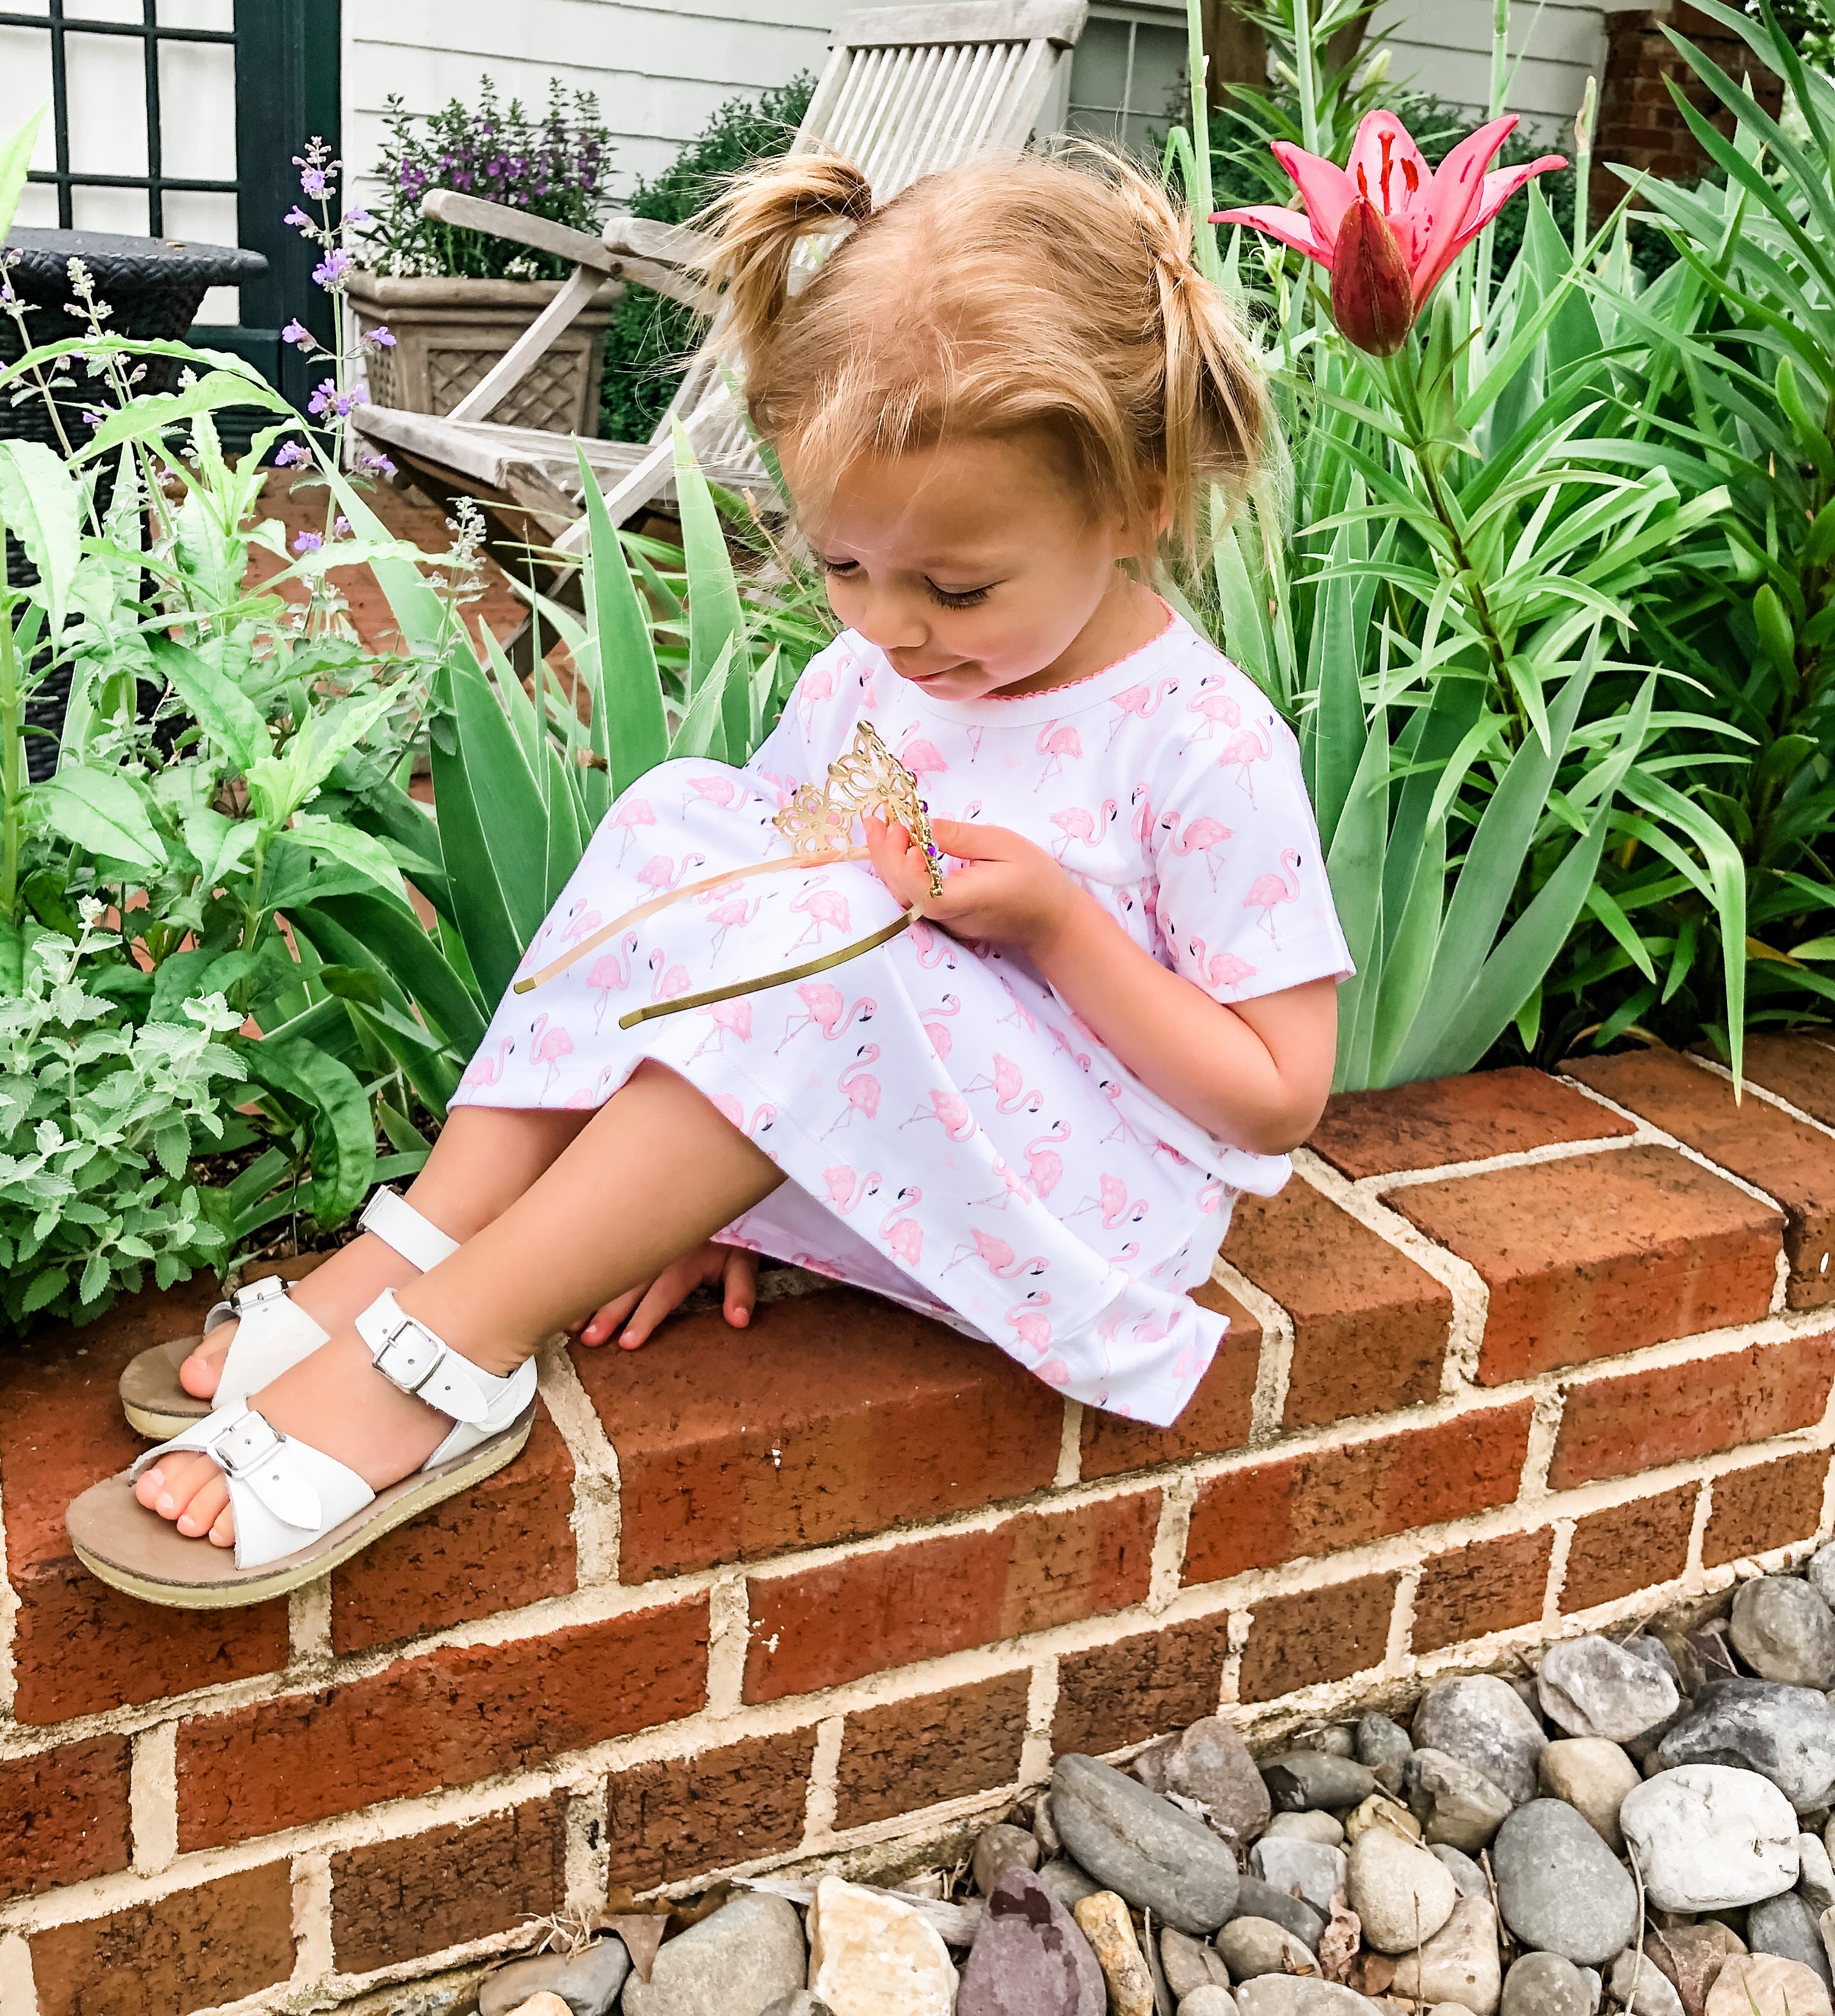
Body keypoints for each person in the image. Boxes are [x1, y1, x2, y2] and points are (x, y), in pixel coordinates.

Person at [67, 146, 1351, 1608]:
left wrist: (1062, 923)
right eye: (845, 566)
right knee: (688, 814)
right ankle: (417, 1244)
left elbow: (1279, 1094)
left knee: (840, 937)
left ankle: (450, 1349)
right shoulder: (872, 673)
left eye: (959, 587)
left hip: (1080, 1206)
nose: (894, 628)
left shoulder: (1197, 743)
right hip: (881, 1144)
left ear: (1142, 497)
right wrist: (709, 1204)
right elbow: (733, 949)